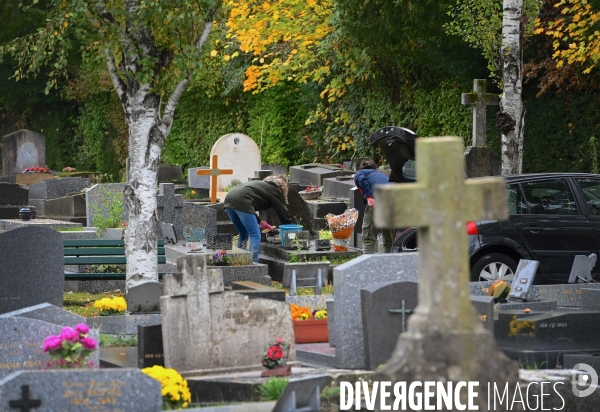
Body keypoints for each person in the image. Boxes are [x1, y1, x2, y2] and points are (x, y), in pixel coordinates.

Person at [223, 175, 292, 262]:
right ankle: (253, 262)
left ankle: (238, 260)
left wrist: (260, 222)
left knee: (243, 234)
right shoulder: (275, 190)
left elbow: (248, 208)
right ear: (283, 186)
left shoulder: (262, 186)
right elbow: (283, 212)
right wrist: (291, 229)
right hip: (242, 200)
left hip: (229, 198)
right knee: (255, 235)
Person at [354, 160, 394, 254]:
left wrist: (369, 197)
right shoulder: (382, 176)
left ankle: (369, 267)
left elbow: (361, 179)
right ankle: (388, 267)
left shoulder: (360, 173)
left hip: (377, 200)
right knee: (389, 241)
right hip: (393, 202)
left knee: (368, 240)